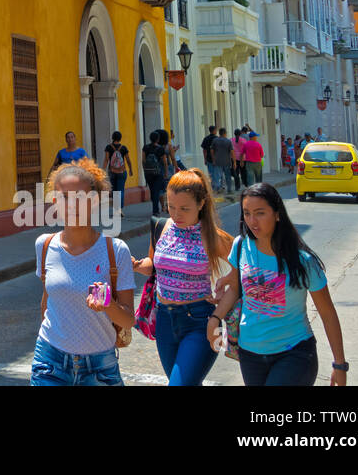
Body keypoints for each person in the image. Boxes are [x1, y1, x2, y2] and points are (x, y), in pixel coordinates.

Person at [209, 183, 347, 386]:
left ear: (277, 214)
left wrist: (340, 365)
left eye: (260, 213)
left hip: (294, 354)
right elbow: (237, 289)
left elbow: (327, 313)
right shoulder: (240, 246)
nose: (252, 221)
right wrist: (214, 318)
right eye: (247, 213)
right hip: (250, 355)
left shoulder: (303, 261)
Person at [31, 159, 135, 386]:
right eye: (65, 198)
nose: (72, 205)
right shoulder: (45, 245)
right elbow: (47, 302)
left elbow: (128, 319)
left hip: (99, 367)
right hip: (50, 362)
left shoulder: (115, 251)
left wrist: (108, 305)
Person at [132, 169, 232, 385]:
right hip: (165, 321)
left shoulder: (212, 235)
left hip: (203, 322)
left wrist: (225, 289)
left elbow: (245, 267)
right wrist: (139, 265)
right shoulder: (161, 226)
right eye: (171, 206)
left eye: (184, 209)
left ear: (201, 204)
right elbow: (154, 266)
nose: (176, 214)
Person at [101, 131, 129, 210]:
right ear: (120, 138)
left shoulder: (108, 147)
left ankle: (116, 208)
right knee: (121, 190)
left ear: (112, 137)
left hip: (112, 171)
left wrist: (103, 170)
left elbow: (106, 159)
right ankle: (120, 209)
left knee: (114, 191)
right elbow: (128, 159)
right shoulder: (124, 148)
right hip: (122, 172)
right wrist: (130, 169)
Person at [142, 130, 168, 214]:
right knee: (156, 191)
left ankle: (155, 208)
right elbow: (165, 162)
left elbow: (143, 160)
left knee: (152, 190)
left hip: (148, 173)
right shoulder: (160, 148)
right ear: (157, 139)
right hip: (158, 173)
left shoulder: (145, 147)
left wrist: (145, 170)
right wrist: (166, 172)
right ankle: (155, 210)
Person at [210, 128, 235, 195]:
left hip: (217, 161)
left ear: (219, 133)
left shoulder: (215, 140)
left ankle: (217, 188)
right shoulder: (228, 141)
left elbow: (212, 151)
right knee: (228, 176)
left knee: (217, 176)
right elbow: (232, 152)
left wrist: (213, 159)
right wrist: (234, 162)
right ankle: (229, 190)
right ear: (225, 133)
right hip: (227, 161)